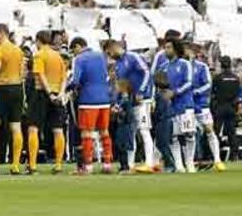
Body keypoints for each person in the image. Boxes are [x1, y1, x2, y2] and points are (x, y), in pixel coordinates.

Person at [106, 40, 155, 172]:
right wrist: (118, 102)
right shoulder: (118, 65)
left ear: (115, 47)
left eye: (109, 52)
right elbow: (121, 86)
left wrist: (141, 91)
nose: (109, 55)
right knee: (130, 132)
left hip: (142, 99)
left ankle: (149, 162)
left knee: (144, 129)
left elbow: (146, 72)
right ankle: (130, 163)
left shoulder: (133, 57)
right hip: (130, 101)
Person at [67, 37, 114, 174]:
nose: (74, 54)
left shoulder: (80, 59)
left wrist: (68, 87)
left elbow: (75, 80)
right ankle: (107, 164)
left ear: (78, 46)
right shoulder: (101, 56)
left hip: (88, 100)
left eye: (73, 50)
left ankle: (88, 166)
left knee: (86, 133)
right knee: (104, 132)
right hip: (104, 100)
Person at [27, 30, 67, 174]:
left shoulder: (39, 55)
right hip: (57, 94)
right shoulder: (57, 56)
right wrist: (60, 93)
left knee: (33, 128)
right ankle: (58, 165)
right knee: (58, 129)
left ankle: (32, 165)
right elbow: (64, 77)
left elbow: (40, 75)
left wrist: (49, 92)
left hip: (41, 93)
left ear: (38, 40)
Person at [0, 24, 24, 175]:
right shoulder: (18, 50)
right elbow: (22, 72)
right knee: (16, 126)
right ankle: (15, 165)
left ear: (2, 33)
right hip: (17, 88)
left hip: (3, 88)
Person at [188, 43, 225, 171]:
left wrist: (196, 92)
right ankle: (190, 162)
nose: (189, 52)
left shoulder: (201, 67)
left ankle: (217, 160)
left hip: (201, 104)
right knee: (189, 134)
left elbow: (208, 84)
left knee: (209, 130)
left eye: (191, 50)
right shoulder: (181, 66)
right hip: (186, 105)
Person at [162, 38, 197, 172]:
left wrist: (175, 92)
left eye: (169, 47)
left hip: (185, 104)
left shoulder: (184, 64)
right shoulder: (164, 66)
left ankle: (190, 162)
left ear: (175, 49)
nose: (166, 50)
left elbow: (189, 83)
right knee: (174, 136)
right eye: (165, 47)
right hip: (171, 106)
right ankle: (179, 165)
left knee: (189, 134)